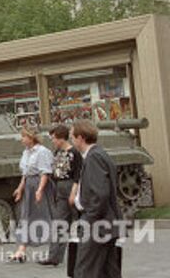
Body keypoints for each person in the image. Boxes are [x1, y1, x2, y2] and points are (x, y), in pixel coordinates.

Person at [71, 119, 123, 278]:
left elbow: (100, 194)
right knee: (108, 272)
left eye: (72, 137)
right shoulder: (100, 154)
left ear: (80, 138)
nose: (71, 141)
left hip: (96, 225)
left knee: (84, 271)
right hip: (106, 224)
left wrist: (88, 219)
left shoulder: (93, 157)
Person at [9, 127, 55, 263]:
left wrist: (40, 190)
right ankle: (21, 250)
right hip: (29, 185)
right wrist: (20, 188)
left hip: (39, 184)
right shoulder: (26, 152)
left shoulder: (42, 152)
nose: (21, 139)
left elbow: (45, 173)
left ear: (31, 137)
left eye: (24, 136)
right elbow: (25, 173)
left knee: (45, 215)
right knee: (26, 216)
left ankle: (53, 250)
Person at [40, 124, 82, 267]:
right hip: (60, 188)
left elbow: (78, 174)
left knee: (80, 222)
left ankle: (85, 253)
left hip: (71, 186)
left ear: (61, 138)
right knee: (59, 223)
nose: (52, 141)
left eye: (54, 138)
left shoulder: (75, 153)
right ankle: (54, 256)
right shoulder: (57, 152)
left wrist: (74, 192)